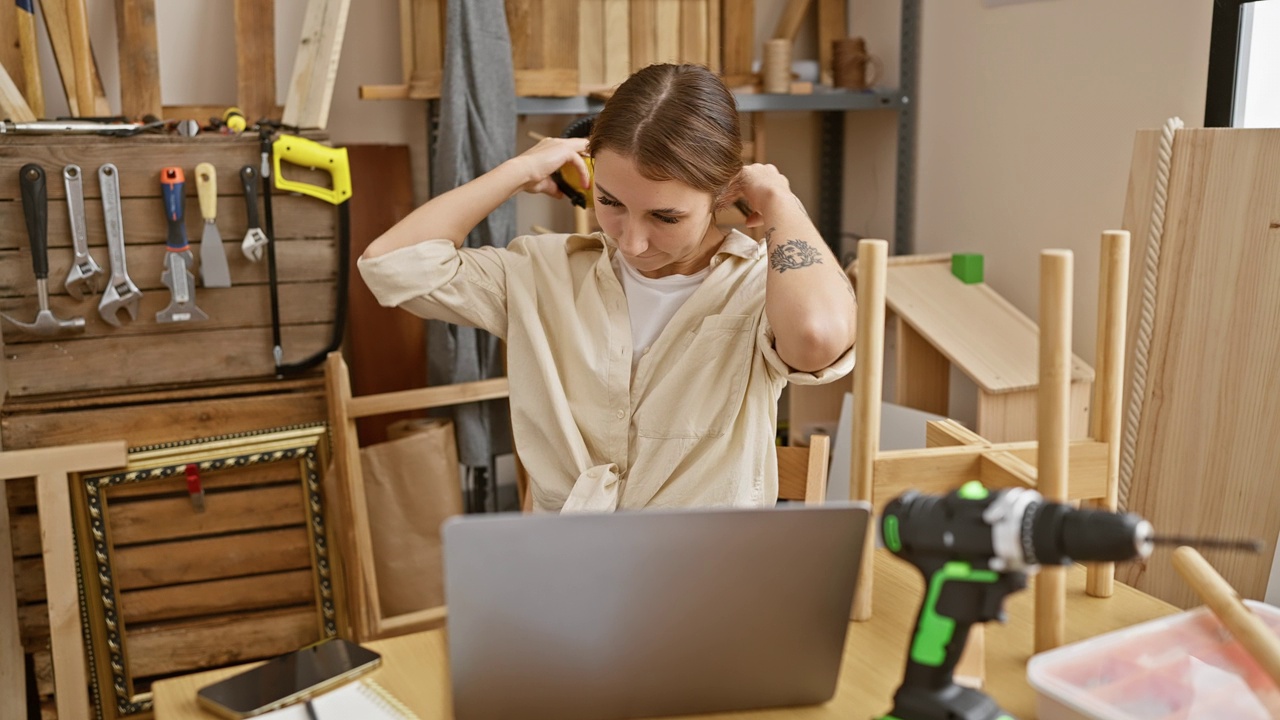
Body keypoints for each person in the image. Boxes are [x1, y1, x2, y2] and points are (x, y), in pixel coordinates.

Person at [359, 63, 857, 513]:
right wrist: (519, 170)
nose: (634, 242)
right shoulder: (543, 272)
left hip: (701, 582)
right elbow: (391, 266)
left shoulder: (759, 286)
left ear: (725, 194)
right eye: (611, 202)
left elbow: (815, 339)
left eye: (666, 216)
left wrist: (778, 198)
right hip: (564, 578)